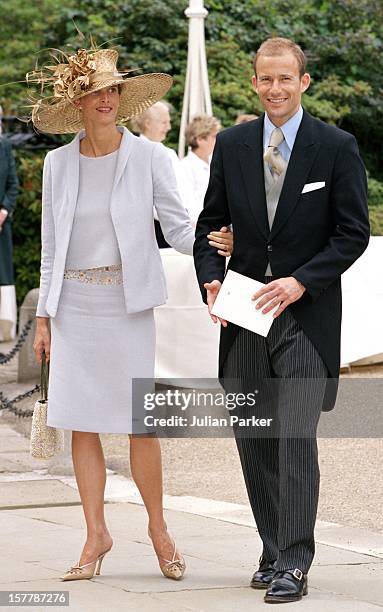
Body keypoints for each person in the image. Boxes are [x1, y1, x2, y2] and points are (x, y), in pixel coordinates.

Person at [31, 44, 229, 583]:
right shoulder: (57, 164)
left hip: (128, 307)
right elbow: (51, 247)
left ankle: (158, 528)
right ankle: (95, 534)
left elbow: (181, 228)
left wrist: (223, 242)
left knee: (143, 426)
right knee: (81, 424)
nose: (105, 98)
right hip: (73, 307)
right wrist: (45, 316)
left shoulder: (150, 157)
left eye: (113, 89)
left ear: (122, 97)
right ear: (77, 101)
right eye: (95, 90)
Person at [194, 37, 369, 604]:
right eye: (265, 79)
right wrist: (210, 278)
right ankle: (272, 546)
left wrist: (300, 281)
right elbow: (208, 226)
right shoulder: (233, 145)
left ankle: (295, 561)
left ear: (304, 82)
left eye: (285, 79)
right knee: (254, 440)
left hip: (304, 318)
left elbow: (352, 232)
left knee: (294, 438)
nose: (275, 88)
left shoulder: (335, 147)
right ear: (253, 82)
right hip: (242, 313)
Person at [178, 115, 221, 225]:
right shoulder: (184, 168)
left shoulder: (217, 162)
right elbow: (189, 206)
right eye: (214, 136)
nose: (219, 140)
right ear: (200, 139)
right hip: (202, 231)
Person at [0, 119, 19, 342]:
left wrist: (4, 211)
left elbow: (13, 184)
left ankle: (4, 332)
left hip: (2, 226)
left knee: (3, 276)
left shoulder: (5, 146)